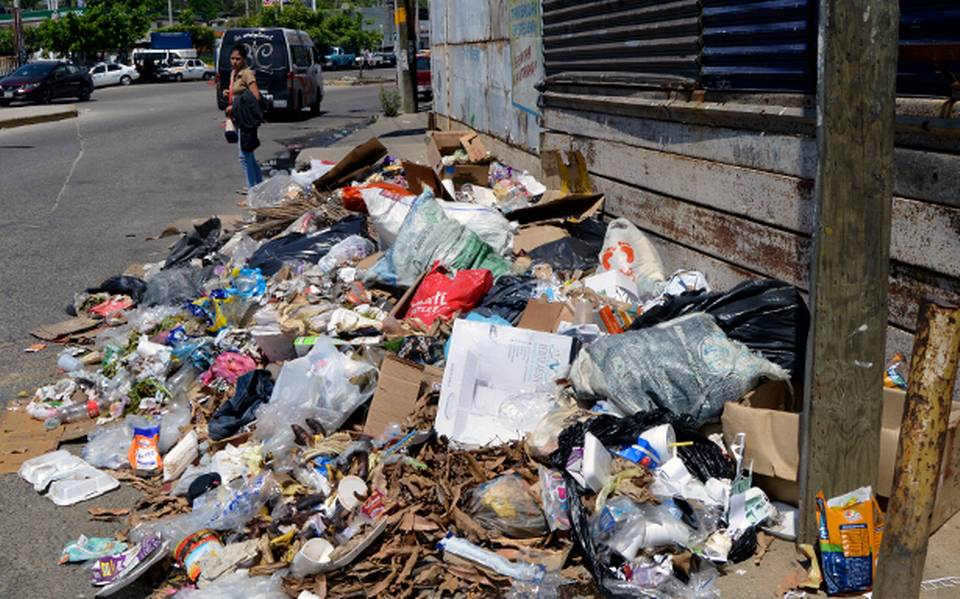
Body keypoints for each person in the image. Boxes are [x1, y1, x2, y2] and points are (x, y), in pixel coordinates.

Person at [224, 44, 263, 189]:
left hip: (247, 119)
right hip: (238, 118)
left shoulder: (247, 74)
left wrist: (234, 106)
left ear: (244, 59)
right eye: (232, 59)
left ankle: (252, 192)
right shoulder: (234, 73)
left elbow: (255, 96)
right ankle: (258, 188)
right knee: (249, 156)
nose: (234, 62)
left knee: (244, 156)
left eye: (238, 59)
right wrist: (229, 94)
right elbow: (239, 93)